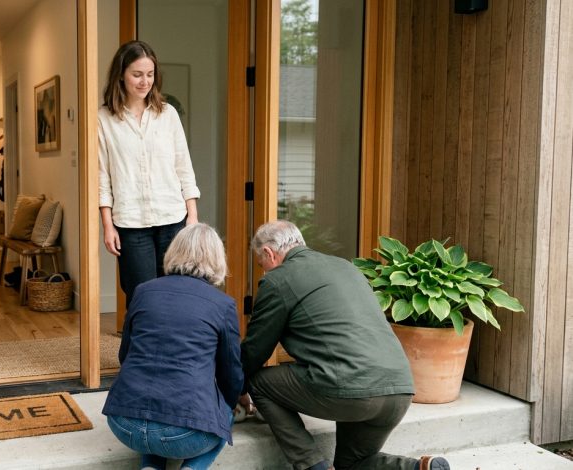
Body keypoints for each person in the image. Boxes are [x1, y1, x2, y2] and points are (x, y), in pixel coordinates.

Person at [239, 220, 450, 470]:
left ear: (268, 253)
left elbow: (254, 351)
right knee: (352, 463)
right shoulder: (346, 267)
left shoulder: (279, 280)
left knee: (259, 382)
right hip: (399, 389)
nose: (264, 271)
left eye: (261, 264)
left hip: (352, 390)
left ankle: (312, 465)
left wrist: (234, 388)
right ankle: (420, 468)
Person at [102, 223, 243, 470]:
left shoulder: (143, 291)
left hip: (124, 423)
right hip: (184, 435)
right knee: (223, 418)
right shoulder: (222, 305)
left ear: (173, 251)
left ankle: (151, 467)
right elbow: (231, 374)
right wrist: (227, 406)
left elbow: (125, 355)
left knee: (156, 420)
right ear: (217, 259)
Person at [98, 40, 200, 307]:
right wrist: (107, 226)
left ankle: (171, 349)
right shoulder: (103, 119)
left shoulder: (168, 114)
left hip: (173, 218)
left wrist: (193, 216)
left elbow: (183, 166)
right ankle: (137, 350)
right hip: (131, 224)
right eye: (137, 74)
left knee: (174, 294)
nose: (145, 82)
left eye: (150, 74)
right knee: (142, 297)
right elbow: (102, 176)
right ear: (121, 74)